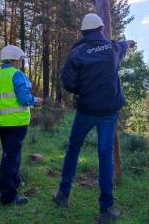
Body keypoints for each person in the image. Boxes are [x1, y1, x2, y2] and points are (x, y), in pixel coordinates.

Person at [53, 13, 135, 224]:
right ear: (100, 29)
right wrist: (130, 42)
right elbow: (124, 45)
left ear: (83, 32)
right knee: (105, 155)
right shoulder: (113, 49)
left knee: (73, 149)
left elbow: (69, 83)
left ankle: (63, 194)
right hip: (108, 112)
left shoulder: (77, 52)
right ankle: (106, 209)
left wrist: (84, 89)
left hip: (86, 110)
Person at [0, 45, 42, 206]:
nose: (22, 62)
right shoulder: (16, 75)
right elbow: (25, 99)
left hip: (0, 123)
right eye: (21, 59)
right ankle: (8, 197)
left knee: (11, 154)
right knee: (10, 158)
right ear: (15, 59)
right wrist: (35, 100)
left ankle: (16, 181)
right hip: (17, 122)